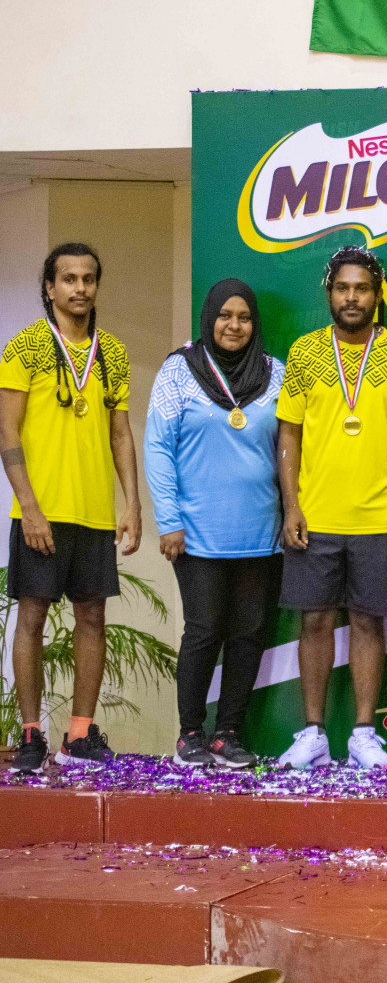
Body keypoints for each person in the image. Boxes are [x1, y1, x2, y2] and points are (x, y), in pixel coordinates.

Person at [274, 246, 387, 771]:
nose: (351, 297)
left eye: (362, 288)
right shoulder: (306, 352)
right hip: (315, 516)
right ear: (329, 293)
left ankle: (362, 733)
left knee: (367, 622)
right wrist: (291, 506)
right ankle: (312, 732)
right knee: (313, 621)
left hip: (381, 516)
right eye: (342, 288)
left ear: (378, 294)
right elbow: (288, 431)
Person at [1, 243, 140, 772]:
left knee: (92, 618)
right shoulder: (26, 347)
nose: (80, 288)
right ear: (49, 287)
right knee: (32, 618)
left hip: (93, 512)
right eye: (69, 279)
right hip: (42, 512)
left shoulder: (114, 352)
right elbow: (6, 430)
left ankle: (79, 735)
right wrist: (29, 507)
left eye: (88, 279)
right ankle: (32, 734)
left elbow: (120, 433)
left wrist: (132, 504)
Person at [146, 278, 282, 769]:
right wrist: (168, 520)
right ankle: (190, 735)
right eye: (225, 315)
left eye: (244, 317)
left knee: (249, 633)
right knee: (204, 630)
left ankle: (227, 733)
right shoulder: (179, 372)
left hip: (261, 535)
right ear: (209, 319)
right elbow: (157, 448)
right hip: (197, 534)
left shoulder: (276, 374)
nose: (234, 325)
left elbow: (289, 452)